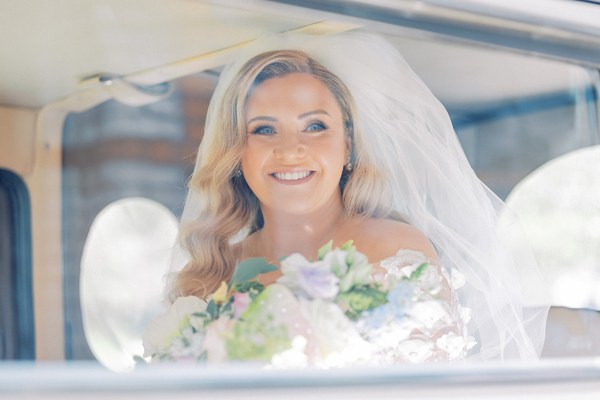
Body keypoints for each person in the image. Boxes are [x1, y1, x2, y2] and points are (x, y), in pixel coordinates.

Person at [166, 32, 548, 361]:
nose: (290, 150)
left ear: (347, 146)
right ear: (237, 153)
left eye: (315, 126)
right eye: (264, 130)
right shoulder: (209, 274)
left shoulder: (396, 252)